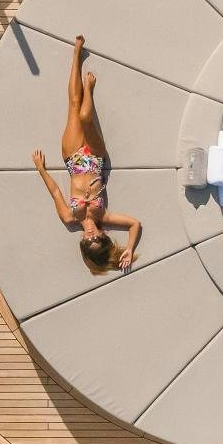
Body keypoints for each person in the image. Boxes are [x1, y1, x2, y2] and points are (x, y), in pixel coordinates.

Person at [32, 35, 141, 273]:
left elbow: (55, 192)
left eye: (86, 242)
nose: (90, 236)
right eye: (96, 239)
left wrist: (42, 170)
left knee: (73, 103)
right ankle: (89, 89)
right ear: (104, 236)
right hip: (94, 158)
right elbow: (135, 224)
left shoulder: (70, 218)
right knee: (84, 117)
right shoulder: (105, 215)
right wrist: (130, 249)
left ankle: (75, 55)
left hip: (72, 158)